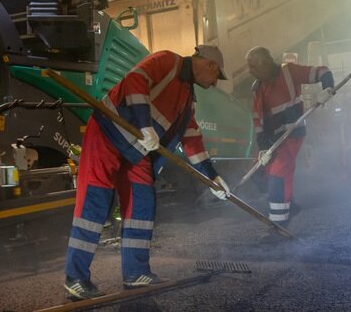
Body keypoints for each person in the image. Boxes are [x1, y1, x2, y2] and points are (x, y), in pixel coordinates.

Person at [64, 45, 232, 300]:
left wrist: (213, 178)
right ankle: (75, 278)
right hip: (108, 133)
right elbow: (135, 80)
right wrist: (144, 125)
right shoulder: (167, 60)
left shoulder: (187, 98)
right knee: (94, 203)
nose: (213, 84)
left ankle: (136, 273)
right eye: (216, 77)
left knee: (143, 201)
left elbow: (192, 140)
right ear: (210, 65)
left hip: (137, 148)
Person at [245, 46, 333, 238]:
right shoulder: (257, 88)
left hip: (292, 133)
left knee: (278, 175)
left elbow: (322, 71)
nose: (249, 71)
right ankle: (289, 203)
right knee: (259, 173)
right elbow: (258, 121)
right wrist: (263, 148)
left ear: (266, 63)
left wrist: (328, 88)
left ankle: (278, 227)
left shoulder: (289, 71)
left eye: (253, 66)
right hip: (272, 139)